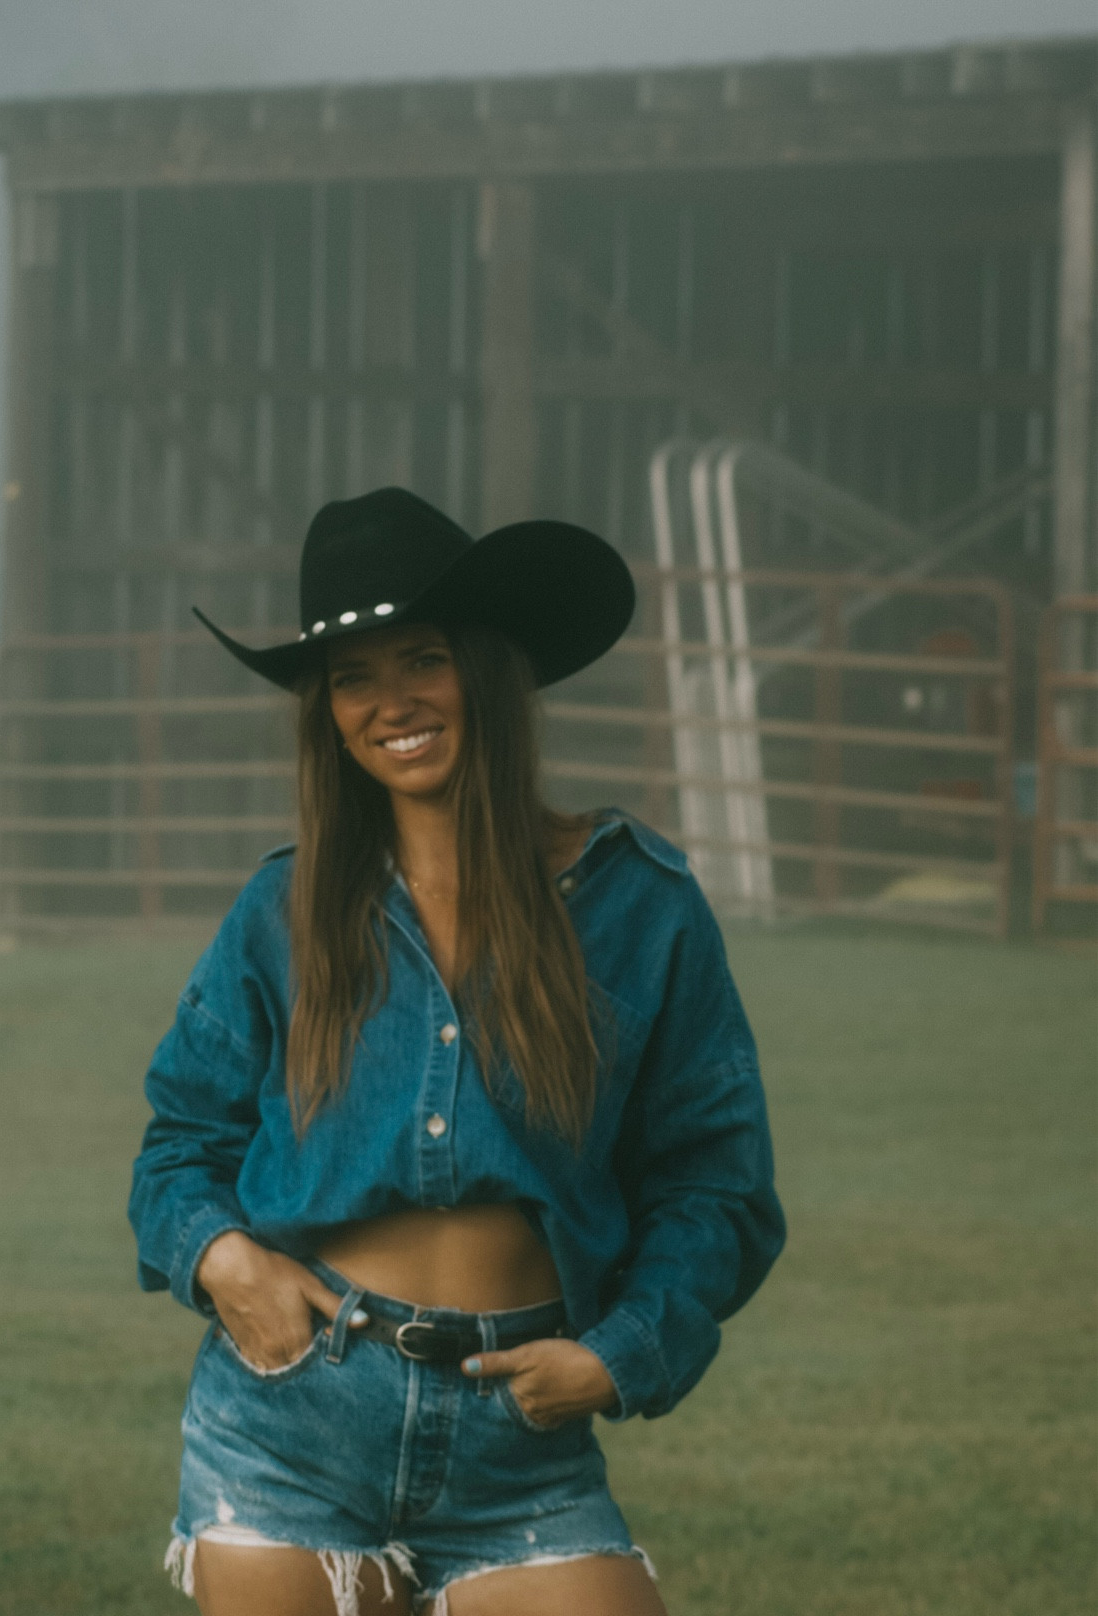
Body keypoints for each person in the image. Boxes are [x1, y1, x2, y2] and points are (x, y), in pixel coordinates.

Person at [129, 487, 785, 1616]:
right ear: (327, 711)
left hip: (519, 1437)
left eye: (422, 657)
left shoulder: (641, 904)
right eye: (351, 676)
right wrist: (222, 1259)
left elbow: (715, 1185)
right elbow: (180, 1144)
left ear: (487, 669)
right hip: (293, 1413)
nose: (391, 701)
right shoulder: (283, 911)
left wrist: (622, 1352)